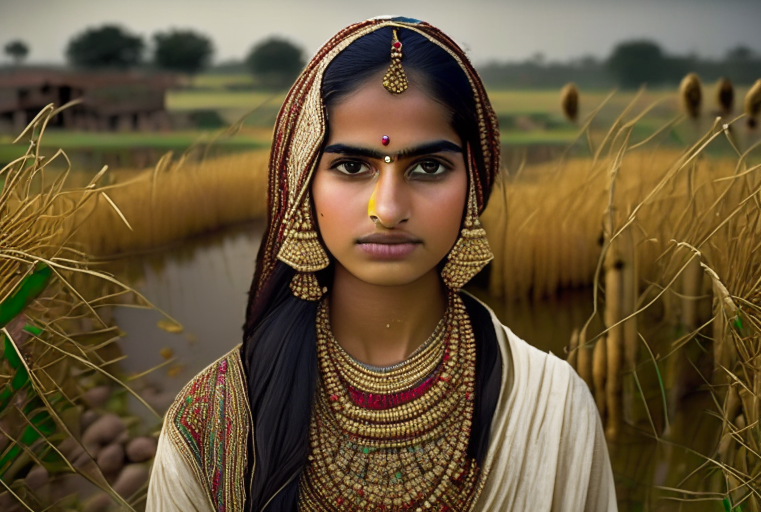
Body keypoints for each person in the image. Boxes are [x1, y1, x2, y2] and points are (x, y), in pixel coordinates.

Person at [146, 16, 616, 512]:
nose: (388, 210)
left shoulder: (554, 407)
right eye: (351, 167)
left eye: (429, 167)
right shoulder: (212, 419)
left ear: (473, 186)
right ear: (304, 182)